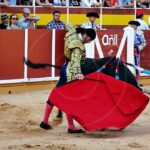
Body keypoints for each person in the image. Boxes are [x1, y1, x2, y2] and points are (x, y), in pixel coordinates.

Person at [40, 25, 96, 134]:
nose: (88, 42)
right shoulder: (78, 45)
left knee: (56, 93)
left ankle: (44, 121)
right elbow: (75, 60)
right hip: (70, 72)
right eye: (89, 39)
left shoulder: (72, 33)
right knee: (70, 99)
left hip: (64, 68)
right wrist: (78, 73)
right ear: (85, 34)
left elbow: (69, 25)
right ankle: (71, 126)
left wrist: (77, 26)